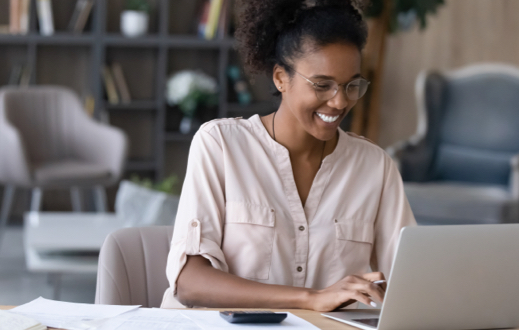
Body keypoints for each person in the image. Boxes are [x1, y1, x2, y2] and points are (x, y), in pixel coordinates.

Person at [160, 0, 416, 312]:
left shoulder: (376, 167)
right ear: (281, 78)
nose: (339, 102)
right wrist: (312, 298)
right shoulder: (221, 145)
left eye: (351, 86)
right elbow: (189, 283)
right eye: (322, 85)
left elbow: (409, 280)